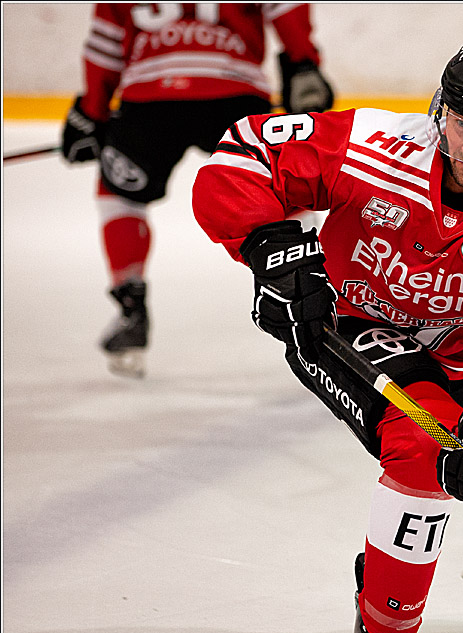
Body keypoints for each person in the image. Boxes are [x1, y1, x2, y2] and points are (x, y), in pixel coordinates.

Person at [192, 30, 463, 633]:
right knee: (426, 451)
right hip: (343, 322)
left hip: (461, 356)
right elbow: (244, 152)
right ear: (440, 107)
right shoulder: (376, 144)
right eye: (461, 124)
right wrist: (271, 245)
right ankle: (385, 629)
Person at [60, 3, 334, 378]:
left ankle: (130, 304)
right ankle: (320, 294)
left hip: (149, 100)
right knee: (282, 190)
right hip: (234, 93)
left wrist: (92, 110)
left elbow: (104, 42)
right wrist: (304, 63)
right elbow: (284, 7)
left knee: (119, 192)